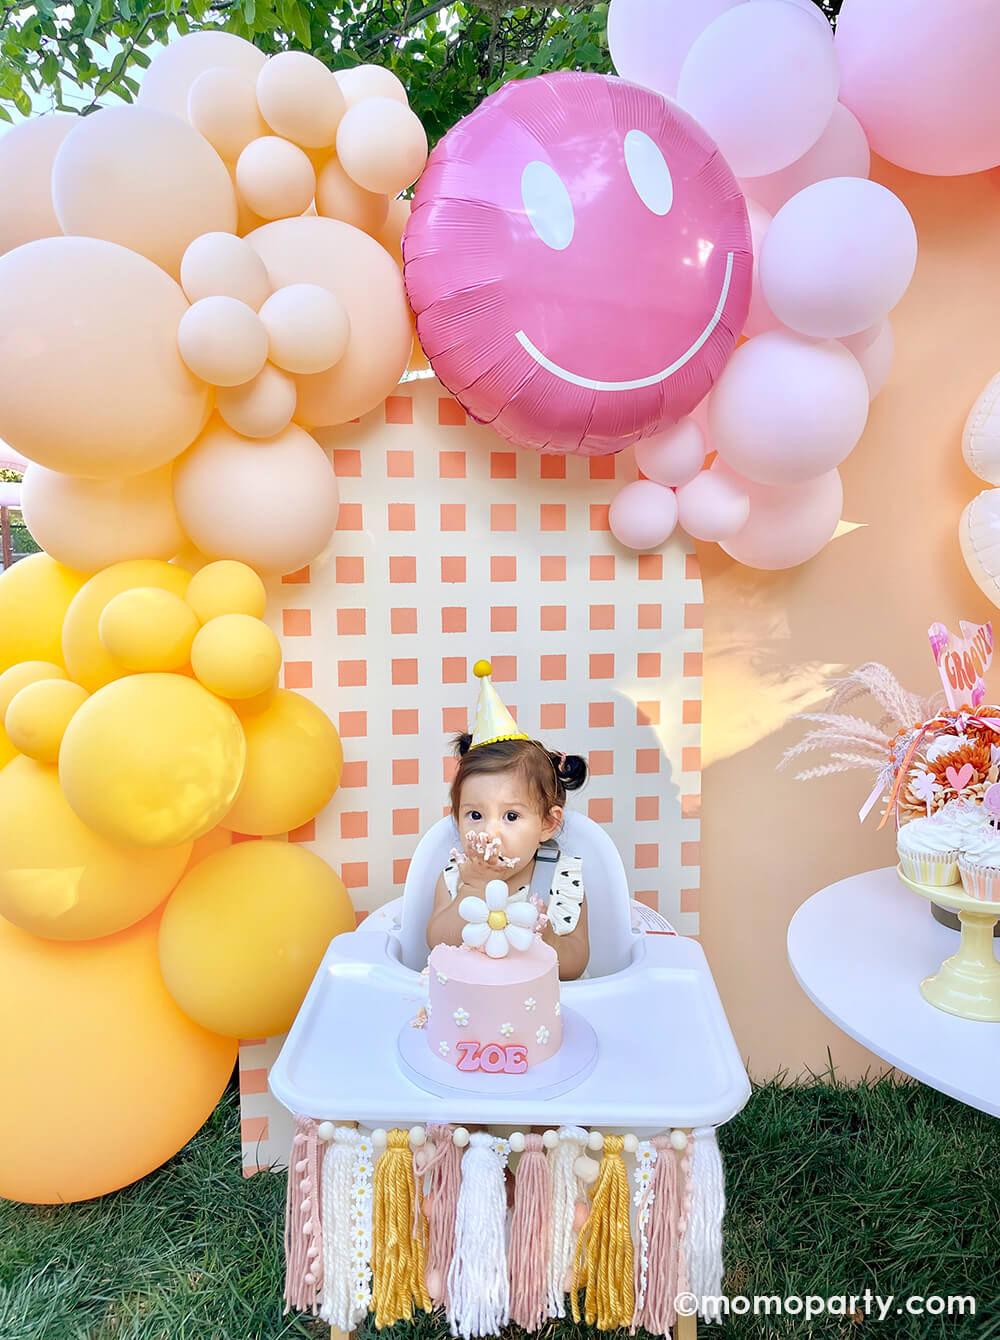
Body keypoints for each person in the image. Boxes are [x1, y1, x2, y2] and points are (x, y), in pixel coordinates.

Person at [424, 660, 590, 980]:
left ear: (548, 823)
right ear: (455, 819)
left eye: (511, 816)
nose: (490, 831)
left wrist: (549, 940)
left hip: (540, 1009)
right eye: (475, 815)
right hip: (469, 1008)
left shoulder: (561, 877)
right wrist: (475, 886)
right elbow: (436, 943)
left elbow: (576, 963)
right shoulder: (456, 876)